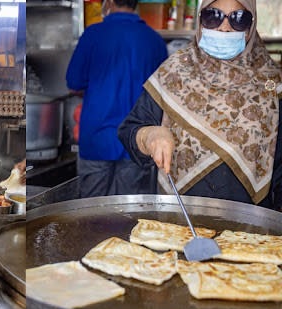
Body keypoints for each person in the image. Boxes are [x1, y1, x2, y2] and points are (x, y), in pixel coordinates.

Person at [118, 0, 282, 210]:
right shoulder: (174, 72)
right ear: (200, 22)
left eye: (238, 19)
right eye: (213, 16)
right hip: (180, 219)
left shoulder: (271, 84)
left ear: (250, 28)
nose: (224, 27)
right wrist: (149, 136)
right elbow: (130, 129)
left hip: (248, 227)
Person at [66, 0, 168, 198]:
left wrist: (98, 88)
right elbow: (163, 95)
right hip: (137, 141)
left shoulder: (92, 35)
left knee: (89, 210)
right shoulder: (155, 40)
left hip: (97, 138)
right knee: (128, 213)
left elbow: (74, 85)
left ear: (109, 2)